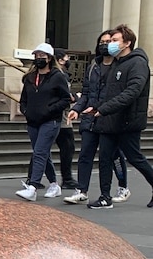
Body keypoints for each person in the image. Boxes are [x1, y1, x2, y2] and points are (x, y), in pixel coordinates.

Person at [87, 24, 153, 209]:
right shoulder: (116, 63)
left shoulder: (138, 63)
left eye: (115, 41)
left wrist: (105, 108)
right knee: (105, 158)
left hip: (127, 121)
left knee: (134, 157)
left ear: (127, 43)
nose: (111, 44)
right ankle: (104, 197)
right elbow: (110, 92)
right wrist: (96, 107)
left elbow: (132, 92)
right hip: (110, 120)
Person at [64, 31, 130, 204]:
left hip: (108, 117)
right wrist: (77, 109)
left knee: (112, 156)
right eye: (102, 41)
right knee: (85, 154)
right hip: (90, 117)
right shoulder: (94, 66)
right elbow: (86, 93)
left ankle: (121, 186)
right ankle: (82, 190)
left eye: (109, 41)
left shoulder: (120, 66)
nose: (105, 45)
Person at [14, 43, 70, 201]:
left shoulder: (57, 77)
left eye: (42, 56)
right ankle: (54, 184)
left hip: (50, 121)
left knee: (39, 152)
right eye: (37, 56)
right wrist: (25, 111)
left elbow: (66, 99)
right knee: (43, 154)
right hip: (33, 121)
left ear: (49, 58)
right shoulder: (30, 78)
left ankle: (33, 186)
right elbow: (23, 99)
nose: (39, 59)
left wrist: (51, 109)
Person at [52, 48, 79, 189]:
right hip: (61, 118)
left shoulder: (59, 75)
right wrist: (74, 98)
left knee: (43, 148)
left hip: (60, 117)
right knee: (67, 147)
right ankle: (67, 178)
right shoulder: (58, 75)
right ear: (61, 59)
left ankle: (33, 178)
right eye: (67, 57)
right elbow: (66, 95)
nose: (68, 60)